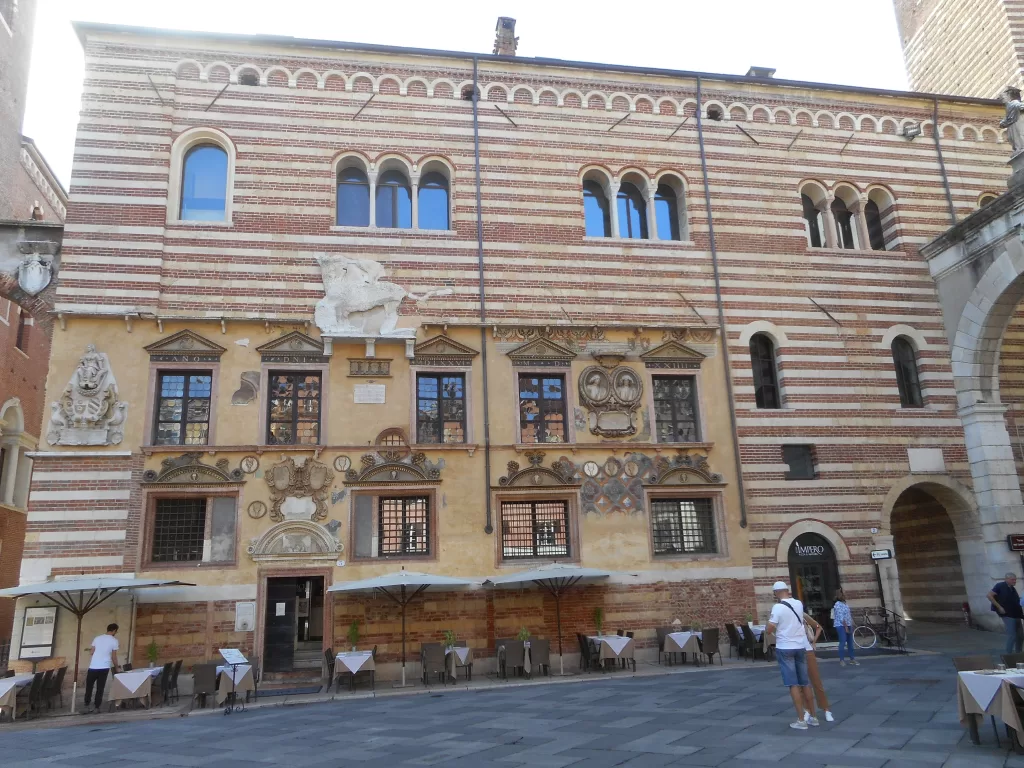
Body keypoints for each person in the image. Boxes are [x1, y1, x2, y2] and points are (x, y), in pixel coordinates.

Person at [766, 581, 818, 730]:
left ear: (776, 593)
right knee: (805, 682)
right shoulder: (798, 604)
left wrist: (768, 626)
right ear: (787, 590)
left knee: (793, 684)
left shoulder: (778, 607)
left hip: (785, 647)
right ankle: (813, 717)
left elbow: (770, 629)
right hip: (800, 647)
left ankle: (801, 720)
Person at [802, 611, 834, 723]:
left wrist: (813, 642)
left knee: (816, 681)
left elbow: (818, 627)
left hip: (808, 651)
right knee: (802, 684)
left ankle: (826, 710)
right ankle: (807, 710)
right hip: (795, 652)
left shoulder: (802, 615)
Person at [84, 623, 120, 712]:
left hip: (93, 666)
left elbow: (92, 652)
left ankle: (87, 705)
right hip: (104, 667)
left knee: (89, 687)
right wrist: (116, 667)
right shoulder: (114, 641)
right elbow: (114, 656)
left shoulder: (97, 638)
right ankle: (97, 707)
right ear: (114, 630)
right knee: (100, 688)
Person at [988, 572, 1024, 654]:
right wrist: (999, 607)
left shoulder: (1012, 588)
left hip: (1016, 614)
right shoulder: (1000, 586)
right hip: (1007, 614)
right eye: (1012, 580)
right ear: (1006, 579)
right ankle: (1009, 655)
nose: (1014, 581)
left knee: (1020, 636)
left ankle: (1019, 654)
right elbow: (989, 595)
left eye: (1015, 580)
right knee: (1012, 635)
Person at [832, 587, 857, 667]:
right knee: (842, 642)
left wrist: (851, 623)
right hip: (841, 625)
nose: (846, 594)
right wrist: (846, 627)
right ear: (841, 595)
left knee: (850, 643)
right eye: (844, 593)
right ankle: (841, 660)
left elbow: (848, 615)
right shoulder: (837, 604)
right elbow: (841, 616)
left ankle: (852, 659)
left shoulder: (845, 603)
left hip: (848, 624)